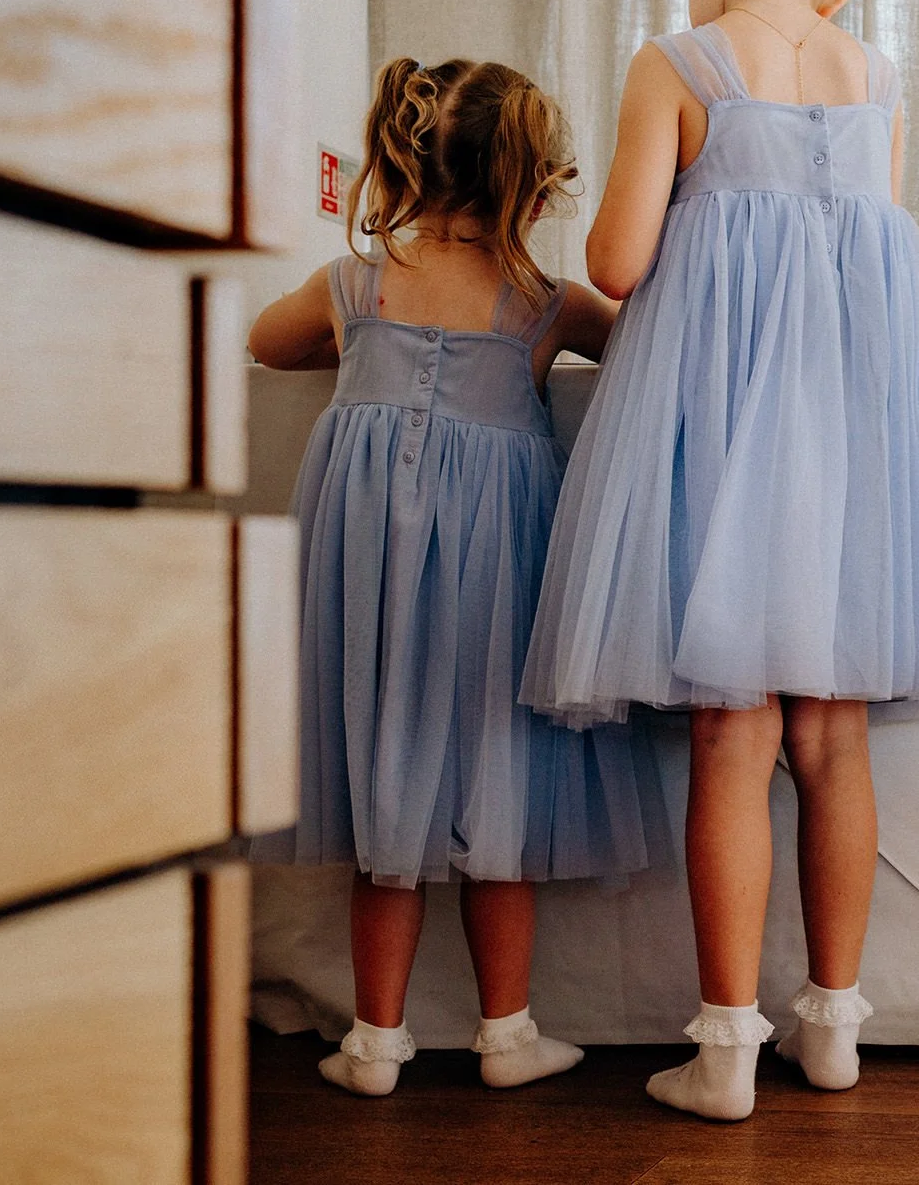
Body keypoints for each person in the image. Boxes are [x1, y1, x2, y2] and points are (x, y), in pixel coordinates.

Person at [520, 0, 919, 1121]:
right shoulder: (873, 75)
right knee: (832, 733)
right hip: (852, 431)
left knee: (735, 730)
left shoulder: (678, 62)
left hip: (723, 423)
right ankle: (833, 1028)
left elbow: (616, 263)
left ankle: (724, 1050)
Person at [249, 57, 642, 1096]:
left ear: (402, 163)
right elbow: (645, 353)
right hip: (496, 584)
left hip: (368, 586)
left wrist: (360, 353)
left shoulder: (352, 287)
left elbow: (265, 343)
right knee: (499, 792)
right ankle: (506, 1034)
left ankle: (372, 1044)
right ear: (529, 185)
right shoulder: (543, 304)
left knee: (386, 800)